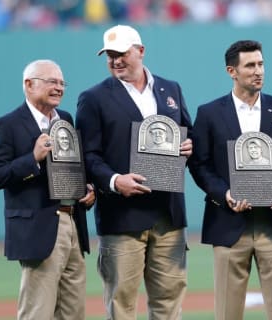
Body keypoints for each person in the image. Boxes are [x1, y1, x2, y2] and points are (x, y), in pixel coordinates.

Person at [75, 24, 193, 319]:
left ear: (140, 51)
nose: (115, 61)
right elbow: (87, 155)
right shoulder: (93, 98)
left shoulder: (171, 89)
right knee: (121, 304)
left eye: (121, 54)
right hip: (121, 216)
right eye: (109, 55)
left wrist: (188, 147)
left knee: (169, 302)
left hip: (168, 215)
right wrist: (115, 181)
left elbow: (186, 133)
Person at [189, 40, 272, 320]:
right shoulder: (209, 113)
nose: (259, 71)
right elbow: (199, 165)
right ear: (232, 71)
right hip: (228, 223)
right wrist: (224, 193)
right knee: (228, 312)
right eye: (250, 65)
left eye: (261, 64)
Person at [0, 59, 95, 320]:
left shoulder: (65, 120)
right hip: (38, 227)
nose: (58, 88)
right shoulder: (8, 124)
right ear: (29, 84)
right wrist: (32, 159)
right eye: (51, 81)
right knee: (38, 311)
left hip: (72, 220)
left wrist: (86, 189)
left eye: (61, 83)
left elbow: (72, 168)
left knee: (73, 311)